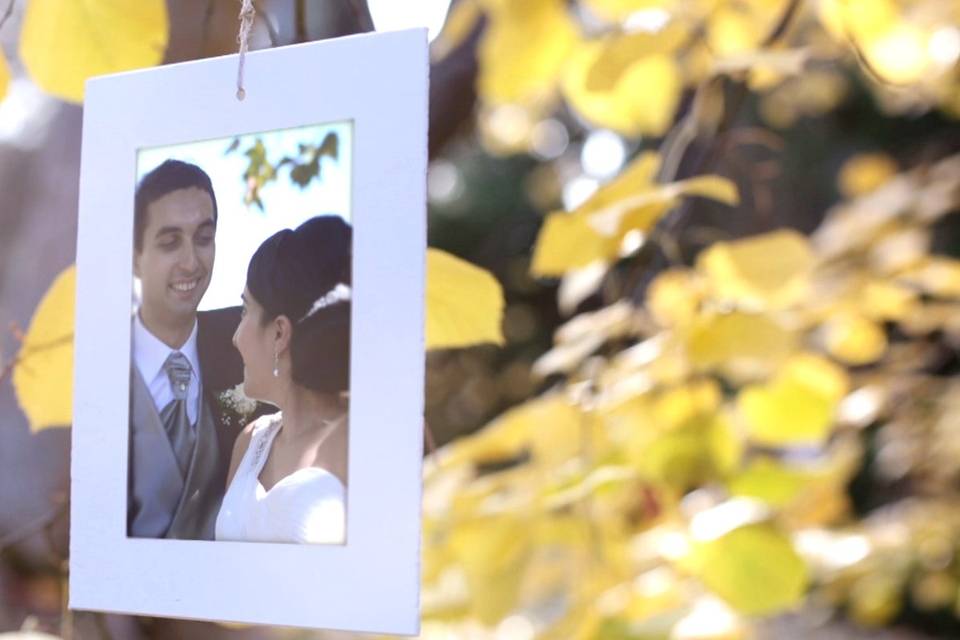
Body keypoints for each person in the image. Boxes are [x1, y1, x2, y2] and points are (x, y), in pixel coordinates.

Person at [128, 159, 247, 540]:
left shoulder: (249, 340)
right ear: (135, 256)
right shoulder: (97, 362)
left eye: (203, 238)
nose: (191, 262)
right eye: (169, 242)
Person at [215, 215, 351, 544]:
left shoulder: (357, 438)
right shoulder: (250, 442)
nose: (235, 337)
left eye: (244, 311)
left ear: (279, 333)